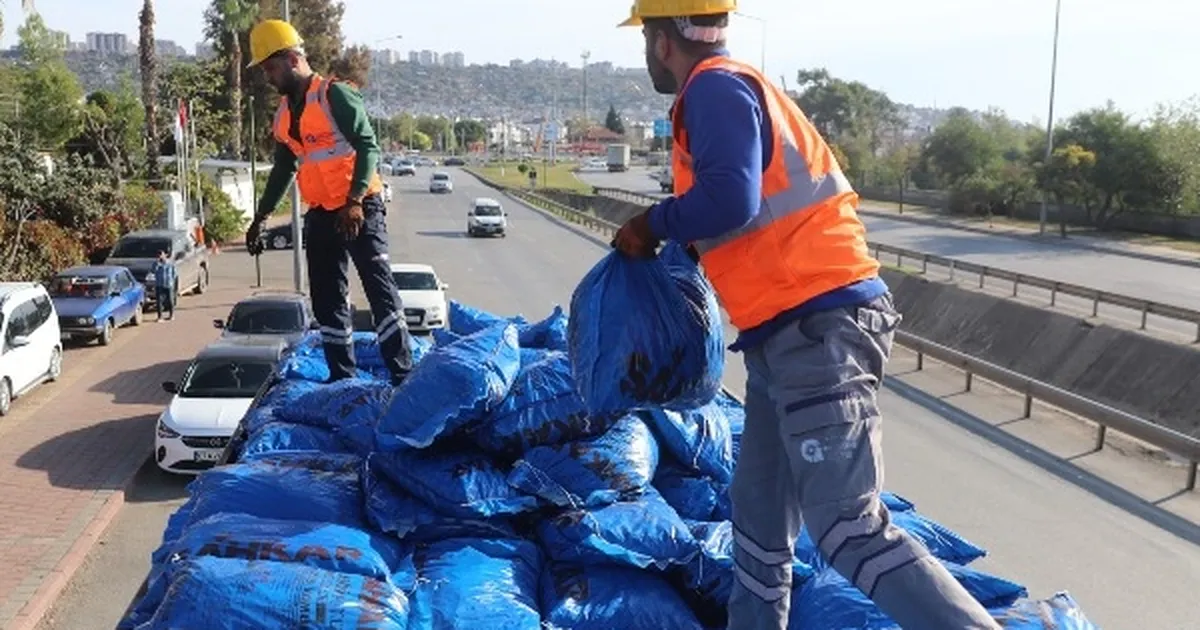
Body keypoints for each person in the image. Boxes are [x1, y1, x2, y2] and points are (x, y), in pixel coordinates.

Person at [613, 2, 1002, 629]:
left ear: (663, 41)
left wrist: (650, 224)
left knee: (847, 525)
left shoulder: (713, 90)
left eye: (644, 41)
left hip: (820, 328)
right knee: (761, 519)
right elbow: (751, 209)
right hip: (782, 334)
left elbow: (730, 200)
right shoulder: (737, 91)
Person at [243, 19, 413, 385]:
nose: (268, 77)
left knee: (379, 289)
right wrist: (261, 216)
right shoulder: (284, 116)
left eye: (270, 68)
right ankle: (342, 379)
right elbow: (283, 168)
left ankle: (403, 375)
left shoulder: (335, 94)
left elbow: (369, 146)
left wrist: (354, 201)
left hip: (359, 208)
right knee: (327, 300)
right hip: (321, 215)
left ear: (291, 59)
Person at [151, 250, 176, 322]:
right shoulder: (156, 264)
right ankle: (160, 317)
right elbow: (153, 271)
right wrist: (157, 264)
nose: (160, 256)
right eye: (158, 255)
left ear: (165, 255)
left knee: (170, 300)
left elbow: (174, 273)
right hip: (159, 284)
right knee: (159, 301)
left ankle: (171, 315)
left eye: (161, 255)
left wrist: (172, 281)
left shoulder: (170, 263)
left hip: (168, 284)